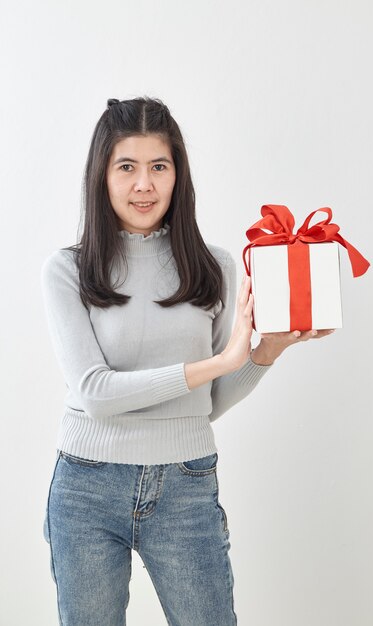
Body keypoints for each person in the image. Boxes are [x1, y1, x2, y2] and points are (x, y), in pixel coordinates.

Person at [40, 96, 334, 626]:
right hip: (85, 487)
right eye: (126, 167)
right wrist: (219, 362)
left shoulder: (215, 266)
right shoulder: (68, 271)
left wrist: (265, 352)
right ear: (101, 175)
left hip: (186, 483)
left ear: (178, 175)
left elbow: (207, 402)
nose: (143, 185)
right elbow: (96, 394)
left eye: (159, 166)